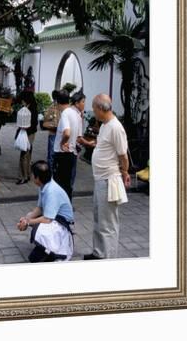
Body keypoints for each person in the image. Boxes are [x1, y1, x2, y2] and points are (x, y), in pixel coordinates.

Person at [84, 94, 130, 260]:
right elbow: (103, 145)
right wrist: (89, 144)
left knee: (108, 223)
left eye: (94, 108)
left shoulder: (116, 127)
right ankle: (99, 252)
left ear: (101, 108)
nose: (93, 112)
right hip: (100, 179)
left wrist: (125, 172)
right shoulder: (104, 125)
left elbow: (123, 155)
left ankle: (108, 257)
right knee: (99, 219)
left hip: (109, 180)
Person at [17, 161, 74, 262]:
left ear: (37, 178)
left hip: (63, 223)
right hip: (54, 217)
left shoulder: (51, 191)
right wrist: (26, 219)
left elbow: (47, 219)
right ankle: (46, 245)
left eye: (32, 174)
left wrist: (28, 222)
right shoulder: (44, 185)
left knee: (40, 227)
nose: (31, 175)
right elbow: (40, 208)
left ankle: (51, 249)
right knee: (31, 216)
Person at [15, 91, 38, 184]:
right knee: (27, 154)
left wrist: (24, 127)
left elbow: (32, 124)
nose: (21, 102)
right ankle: (27, 175)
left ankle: (23, 177)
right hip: (29, 133)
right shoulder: (28, 108)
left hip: (28, 133)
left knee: (24, 155)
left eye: (22, 100)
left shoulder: (31, 109)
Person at [42, 90, 61, 171]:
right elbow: (45, 121)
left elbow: (45, 119)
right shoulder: (55, 107)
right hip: (56, 133)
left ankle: (52, 172)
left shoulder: (52, 107)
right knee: (53, 154)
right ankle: (52, 172)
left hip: (54, 133)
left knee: (52, 154)